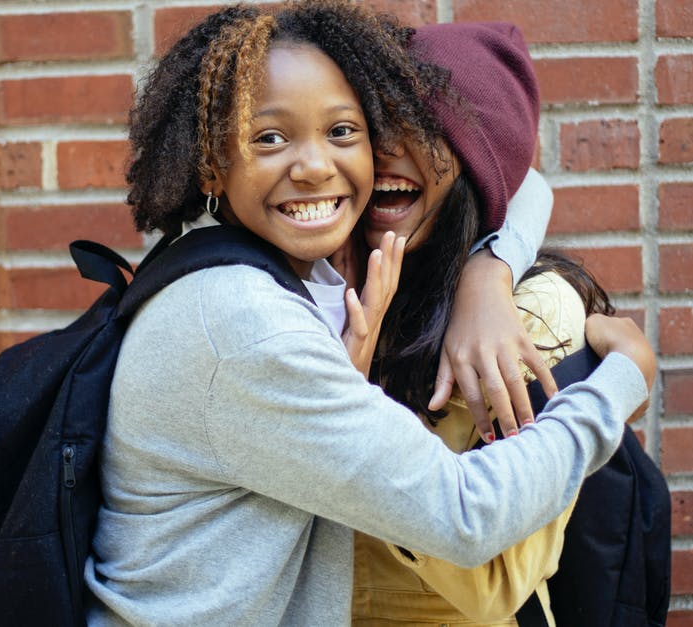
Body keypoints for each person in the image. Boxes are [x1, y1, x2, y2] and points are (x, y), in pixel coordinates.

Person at [86, 2, 655, 624]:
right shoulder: (261, 314)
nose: (372, 155)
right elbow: (464, 514)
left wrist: (487, 271)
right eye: (270, 137)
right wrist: (623, 380)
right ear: (213, 164)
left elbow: (495, 582)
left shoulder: (506, 306)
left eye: (341, 131)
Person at [349, 22, 614, 625]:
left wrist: (354, 410)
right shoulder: (330, 281)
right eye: (367, 122)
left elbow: (495, 578)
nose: (385, 146)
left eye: (420, 126)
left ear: (477, 158)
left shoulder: (529, 317)